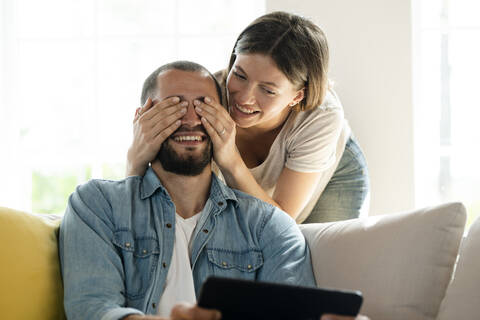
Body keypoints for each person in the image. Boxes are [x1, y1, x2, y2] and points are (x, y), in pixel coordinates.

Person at [59, 61, 365, 320]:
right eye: (173, 106)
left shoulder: (270, 226)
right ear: (141, 120)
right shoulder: (95, 205)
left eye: (205, 107)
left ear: (226, 121)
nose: (191, 119)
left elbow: (295, 312)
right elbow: (92, 309)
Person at [126, 11, 370, 224]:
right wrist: (135, 158)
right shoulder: (210, 95)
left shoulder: (320, 118)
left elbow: (282, 223)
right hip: (259, 196)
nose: (244, 98)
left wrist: (229, 159)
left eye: (268, 90)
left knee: (318, 256)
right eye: (240, 75)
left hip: (332, 176)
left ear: (297, 96)